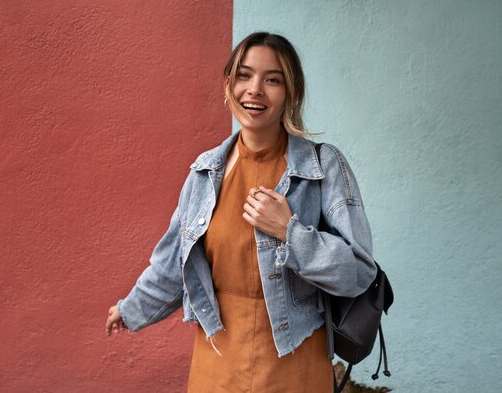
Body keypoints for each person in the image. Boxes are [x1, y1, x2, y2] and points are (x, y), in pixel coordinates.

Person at [105, 32, 377, 393]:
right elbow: (173, 264)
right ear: (228, 85)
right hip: (218, 362)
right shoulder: (205, 173)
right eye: (244, 76)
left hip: (295, 363)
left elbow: (358, 272)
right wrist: (131, 309)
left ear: (291, 92)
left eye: (273, 79)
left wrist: (290, 232)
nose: (255, 90)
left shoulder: (323, 167)